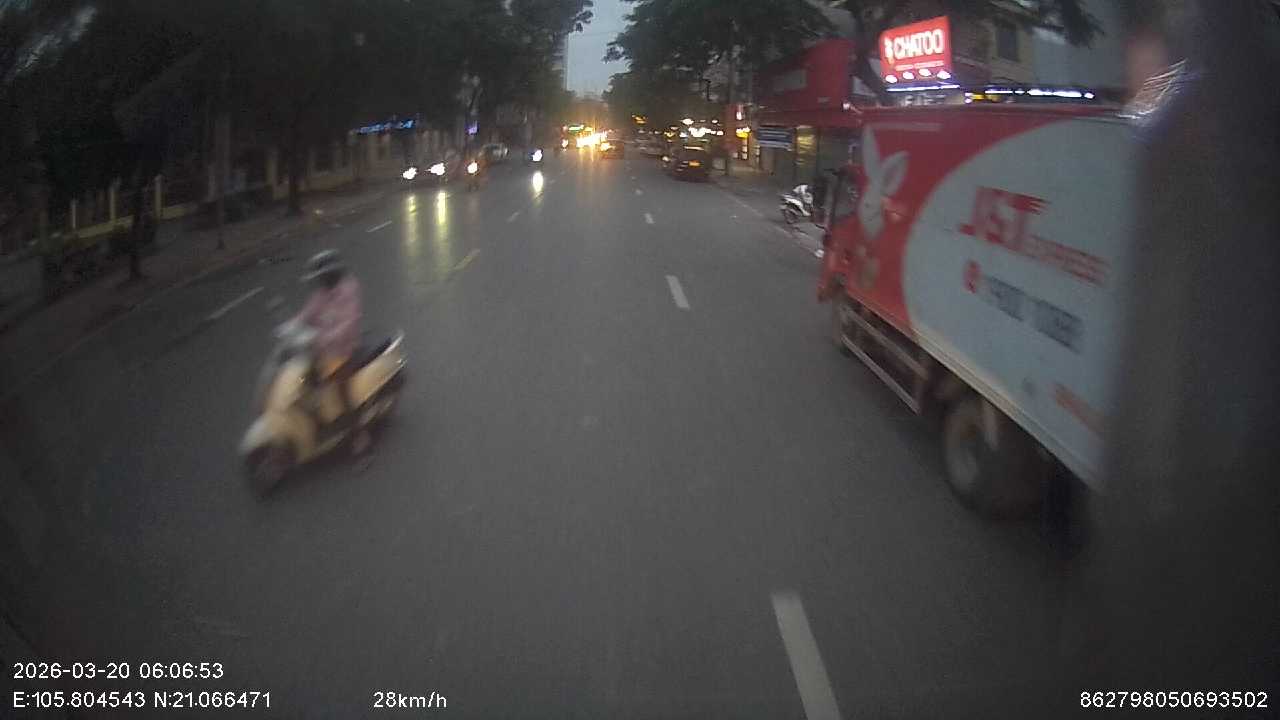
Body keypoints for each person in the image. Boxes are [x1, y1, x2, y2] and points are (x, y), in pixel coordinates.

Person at [295, 249, 369, 454]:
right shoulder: (321, 294)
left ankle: (359, 435)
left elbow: (349, 322)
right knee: (301, 383)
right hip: (322, 351)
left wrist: (325, 338)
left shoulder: (348, 291)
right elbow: (308, 314)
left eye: (322, 277)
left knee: (341, 391)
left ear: (331, 275)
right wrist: (292, 327)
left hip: (345, 350)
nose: (320, 282)